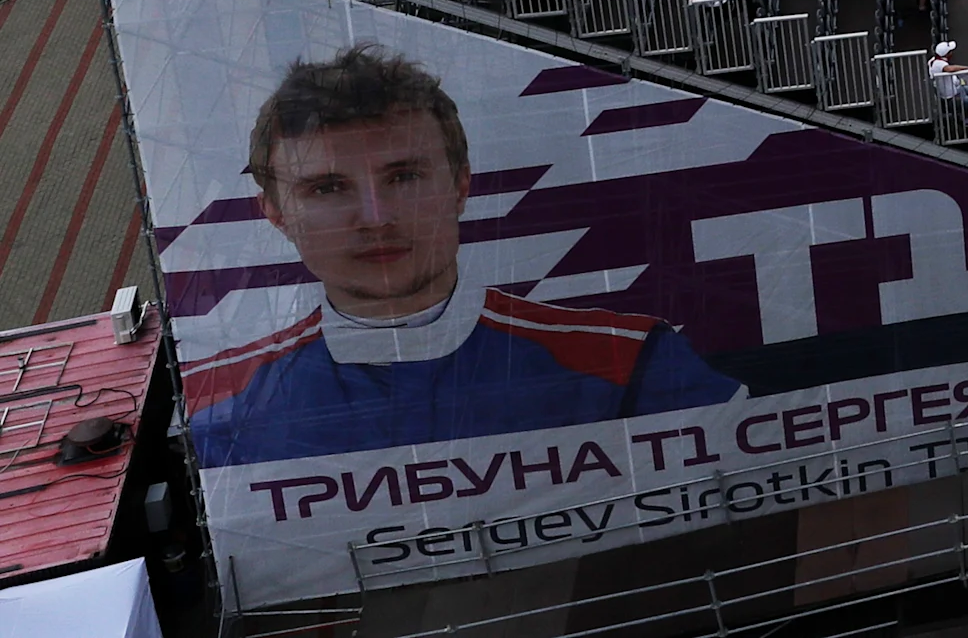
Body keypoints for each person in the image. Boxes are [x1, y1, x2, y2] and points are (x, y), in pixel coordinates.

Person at [182, 45, 739, 466]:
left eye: (404, 176)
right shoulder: (210, 405)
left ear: (461, 186)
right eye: (327, 188)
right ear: (275, 212)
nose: (376, 217)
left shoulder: (633, 363)